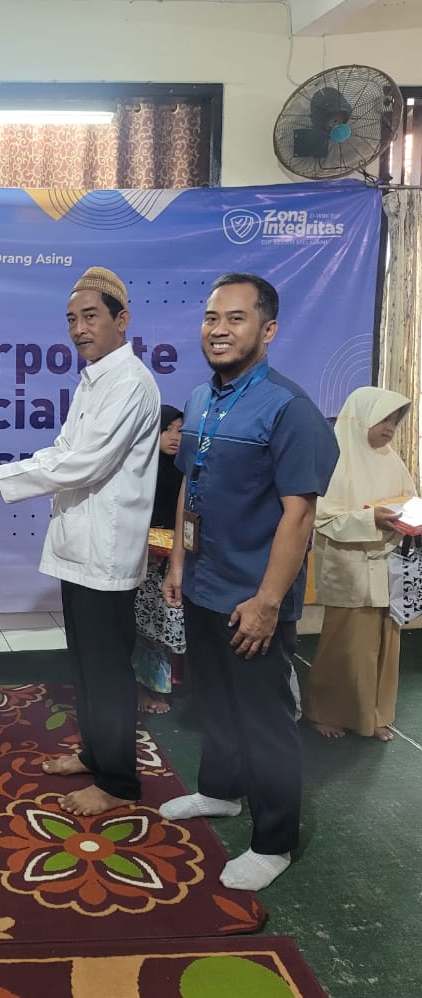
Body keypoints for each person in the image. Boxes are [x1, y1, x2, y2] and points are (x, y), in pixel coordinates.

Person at [160, 272, 338, 891]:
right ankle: (220, 791)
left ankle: (274, 842)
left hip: (253, 599)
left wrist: (267, 601)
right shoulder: (200, 398)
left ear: (268, 330)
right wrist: (178, 563)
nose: (219, 330)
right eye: (212, 318)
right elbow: (190, 484)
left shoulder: (290, 409)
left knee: (264, 719)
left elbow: (300, 514)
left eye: (236, 319)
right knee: (213, 700)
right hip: (202, 583)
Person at [0, 267, 161, 817]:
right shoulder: (93, 379)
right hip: (80, 548)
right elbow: (62, 450)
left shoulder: (131, 383)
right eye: (72, 319)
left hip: (106, 551)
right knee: (83, 664)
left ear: (121, 320)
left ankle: (118, 782)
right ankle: (95, 753)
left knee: (107, 670)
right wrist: (6, 473)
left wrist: (6, 479)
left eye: (90, 317)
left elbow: (86, 464)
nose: (79, 329)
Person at [302, 387, 417, 742]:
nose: (390, 428)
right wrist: (371, 520)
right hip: (349, 566)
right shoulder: (335, 460)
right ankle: (324, 712)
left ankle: (374, 715)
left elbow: (410, 502)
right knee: (347, 645)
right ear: (361, 418)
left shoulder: (392, 460)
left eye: (395, 421)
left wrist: (409, 519)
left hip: (388, 565)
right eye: (383, 419)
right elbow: (322, 518)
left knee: (386, 642)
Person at [134, 405, 185, 714]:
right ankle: (144, 687)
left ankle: (166, 684)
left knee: (169, 622)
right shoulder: (138, 469)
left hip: (176, 559)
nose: (175, 437)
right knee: (145, 625)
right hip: (142, 559)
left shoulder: (187, 469)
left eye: (180, 430)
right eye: (167, 430)